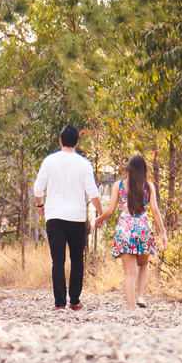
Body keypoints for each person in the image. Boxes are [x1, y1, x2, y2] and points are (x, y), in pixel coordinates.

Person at [33, 125, 104, 311]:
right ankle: (74, 301)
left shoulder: (50, 161)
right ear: (77, 143)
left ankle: (59, 304)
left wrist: (40, 206)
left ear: (60, 141)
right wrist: (101, 214)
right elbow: (93, 193)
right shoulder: (83, 164)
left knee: (58, 260)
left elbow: (38, 189)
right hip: (77, 218)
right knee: (77, 259)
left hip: (54, 216)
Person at [95, 154, 168, 311]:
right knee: (144, 264)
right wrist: (163, 232)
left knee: (129, 273)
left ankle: (131, 309)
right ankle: (140, 295)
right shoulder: (148, 186)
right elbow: (154, 210)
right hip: (143, 229)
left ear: (129, 168)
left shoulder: (119, 185)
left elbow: (111, 210)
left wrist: (98, 219)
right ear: (144, 170)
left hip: (125, 229)